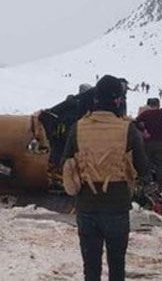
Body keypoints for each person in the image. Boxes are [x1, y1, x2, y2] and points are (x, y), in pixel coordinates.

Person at [61, 75, 151, 281]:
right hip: (117, 206)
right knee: (117, 267)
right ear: (118, 100)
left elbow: (65, 163)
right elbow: (144, 168)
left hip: (86, 205)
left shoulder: (78, 127)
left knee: (91, 269)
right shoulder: (128, 129)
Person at [135, 90, 162, 186]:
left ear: (149, 105)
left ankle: (146, 183)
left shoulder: (145, 114)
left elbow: (135, 122)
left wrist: (143, 131)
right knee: (161, 164)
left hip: (148, 143)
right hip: (160, 143)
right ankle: (159, 184)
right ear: (158, 104)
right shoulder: (161, 112)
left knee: (146, 163)